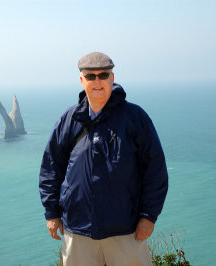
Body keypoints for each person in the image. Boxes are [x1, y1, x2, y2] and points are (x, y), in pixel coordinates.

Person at [39, 52, 168, 266]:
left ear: (112, 78)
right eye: (90, 76)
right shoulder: (69, 120)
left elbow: (155, 170)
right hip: (78, 230)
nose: (97, 81)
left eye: (103, 75)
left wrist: (148, 216)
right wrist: (52, 213)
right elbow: (51, 168)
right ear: (82, 81)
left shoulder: (135, 118)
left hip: (126, 231)